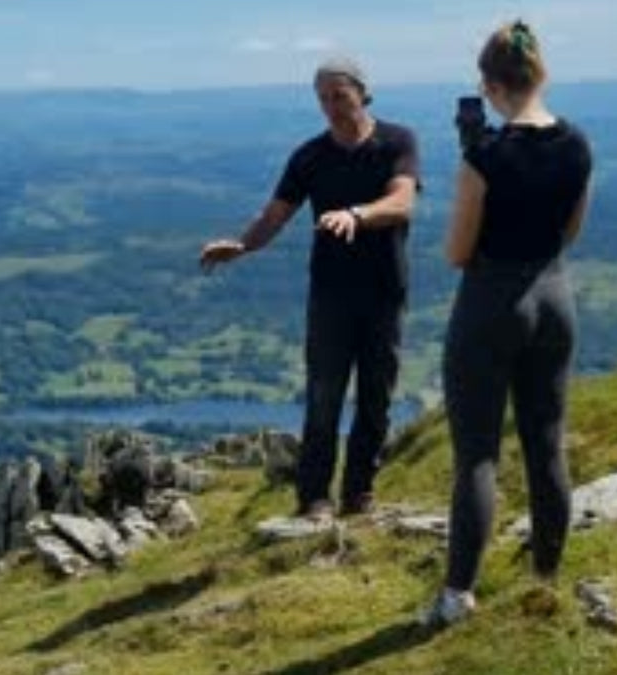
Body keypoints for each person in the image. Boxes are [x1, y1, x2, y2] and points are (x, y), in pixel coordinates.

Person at [423, 20, 593, 627]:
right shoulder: (577, 145)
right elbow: (570, 231)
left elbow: (457, 252)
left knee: (477, 455)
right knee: (546, 443)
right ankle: (545, 577)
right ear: (538, 73)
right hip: (554, 295)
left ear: (490, 86)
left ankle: (456, 596)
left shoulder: (485, 157)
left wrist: (473, 159)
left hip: (492, 301)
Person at [199, 57, 420, 521]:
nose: (331, 106)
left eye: (339, 95)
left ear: (363, 93)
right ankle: (314, 498)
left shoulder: (396, 142)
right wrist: (240, 245)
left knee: (376, 398)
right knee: (324, 397)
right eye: (322, 97)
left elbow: (402, 202)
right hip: (331, 296)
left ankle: (359, 493)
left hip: (384, 291)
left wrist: (355, 214)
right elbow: (275, 215)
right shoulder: (310, 156)